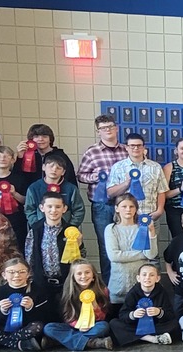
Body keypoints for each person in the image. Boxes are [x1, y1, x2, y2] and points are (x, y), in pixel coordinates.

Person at [77, 114, 129, 284]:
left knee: (125, 244)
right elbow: (81, 176)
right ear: (98, 131)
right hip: (102, 206)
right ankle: (108, 285)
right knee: (106, 246)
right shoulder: (92, 152)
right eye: (103, 128)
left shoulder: (126, 150)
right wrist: (98, 177)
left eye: (110, 126)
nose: (107, 130)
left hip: (125, 206)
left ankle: (125, 283)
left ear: (117, 128)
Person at [0, 258, 50, 352]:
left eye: (22, 272)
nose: (16, 275)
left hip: (26, 327)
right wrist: (3, 310)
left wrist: (30, 308)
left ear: (28, 274)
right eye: (11, 272)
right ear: (4, 275)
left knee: (37, 326)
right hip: (4, 327)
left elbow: (44, 318)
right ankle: (17, 344)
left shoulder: (38, 290)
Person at [41, 259, 113, 351]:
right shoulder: (68, 292)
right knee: (49, 328)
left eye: (87, 272)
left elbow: (102, 317)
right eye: (79, 273)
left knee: (104, 326)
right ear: (73, 277)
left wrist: (96, 307)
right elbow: (67, 316)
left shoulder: (103, 290)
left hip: (92, 326)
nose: (83, 276)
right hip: (73, 326)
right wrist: (78, 326)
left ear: (93, 275)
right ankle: (91, 342)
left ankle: (59, 341)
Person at [24, 192, 84, 301]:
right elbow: (29, 258)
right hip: (41, 283)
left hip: (66, 283)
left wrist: (79, 245)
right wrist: (30, 280)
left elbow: (81, 257)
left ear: (64, 209)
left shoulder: (71, 231)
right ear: (42, 208)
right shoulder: (35, 230)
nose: (53, 210)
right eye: (49, 206)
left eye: (58, 207)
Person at [105, 194, 158, 309]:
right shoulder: (111, 229)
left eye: (131, 206)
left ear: (136, 209)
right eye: (124, 206)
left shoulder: (142, 228)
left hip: (140, 288)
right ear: (117, 208)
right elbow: (114, 256)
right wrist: (141, 254)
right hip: (119, 286)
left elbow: (151, 254)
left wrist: (152, 232)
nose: (128, 209)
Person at [109, 263, 178, 347]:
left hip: (155, 326)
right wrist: (133, 315)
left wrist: (159, 312)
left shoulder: (162, 292)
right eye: (144, 275)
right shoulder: (133, 293)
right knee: (114, 323)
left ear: (157, 278)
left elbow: (170, 315)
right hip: (136, 325)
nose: (147, 278)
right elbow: (123, 314)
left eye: (152, 275)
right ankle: (151, 339)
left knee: (175, 324)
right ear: (138, 278)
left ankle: (137, 337)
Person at [107, 133, 166, 222]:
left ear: (143, 147)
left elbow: (161, 191)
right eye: (132, 146)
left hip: (149, 216)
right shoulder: (118, 167)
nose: (136, 148)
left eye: (139, 145)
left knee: (152, 236)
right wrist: (126, 183)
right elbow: (110, 193)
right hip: (125, 218)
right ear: (126, 147)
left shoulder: (155, 167)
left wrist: (160, 210)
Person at [24, 152, 85, 228]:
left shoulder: (71, 188)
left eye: (58, 168)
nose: (54, 170)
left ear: (63, 172)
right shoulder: (34, 188)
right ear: (43, 167)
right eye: (51, 166)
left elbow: (79, 210)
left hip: (65, 229)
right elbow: (29, 210)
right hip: (40, 228)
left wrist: (71, 226)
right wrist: (38, 226)